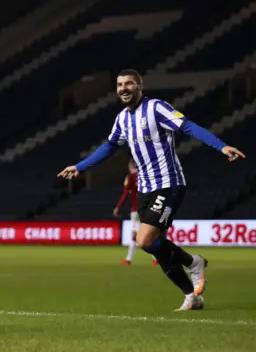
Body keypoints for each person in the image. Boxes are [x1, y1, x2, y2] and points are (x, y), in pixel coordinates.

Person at [57, 69, 246, 311]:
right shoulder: (122, 119)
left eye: (128, 84)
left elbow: (188, 127)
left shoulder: (157, 108)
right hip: (145, 190)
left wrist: (221, 146)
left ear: (139, 86)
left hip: (168, 184)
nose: (123, 88)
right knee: (159, 250)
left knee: (144, 240)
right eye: (119, 84)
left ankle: (193, 262)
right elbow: (109, 147)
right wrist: (80, 167)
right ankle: (192, 296)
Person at [113, 160, 158, 266]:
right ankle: (155, 259)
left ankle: (129, 260)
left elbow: (125, 194)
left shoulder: (130, 177)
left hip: (136, 210)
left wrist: (118, 207)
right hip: (148, 209)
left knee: (137, 235)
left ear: (130, 166)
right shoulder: (147, 176)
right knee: (146, 234)